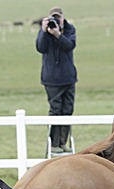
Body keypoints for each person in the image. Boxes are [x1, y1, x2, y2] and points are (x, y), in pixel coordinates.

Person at [36, 6, 77, 154]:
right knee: (55, 110)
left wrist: (58, 35)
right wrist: (43, 31)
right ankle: (54, 144)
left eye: (58, 17)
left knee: (67, 110)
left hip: (68, 77)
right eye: (53, 17)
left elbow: (69, 46)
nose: (56, 20)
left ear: (62, 17)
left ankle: (63, 142)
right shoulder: (45, 32)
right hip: (51, 79)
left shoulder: (70, 29)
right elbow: (40, 47)